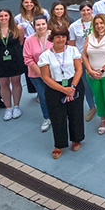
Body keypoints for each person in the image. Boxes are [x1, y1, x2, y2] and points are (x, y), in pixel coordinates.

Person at [38, 26, 85, 159]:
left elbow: (79, 70)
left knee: (75, 113)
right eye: (58, 36)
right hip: (55, 87)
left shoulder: (73, 50)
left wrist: (72, 87)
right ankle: (59, 144)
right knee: (57, 117)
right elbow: (46, 77)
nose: (61, 39)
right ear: (52, 38)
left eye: (64, 36)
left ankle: (77, 138)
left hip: (73, 84)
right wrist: (64, 90)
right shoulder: (45, 56)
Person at [0, 8, 27, 121]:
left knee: (16, 82)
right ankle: (8, 107)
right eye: (1, 16)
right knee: (3, 84)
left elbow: (20, 42)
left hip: (15, 59)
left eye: (6, 15)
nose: (4, 18)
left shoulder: (17, 28)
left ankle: (16, 106)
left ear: (10, 16)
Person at [23, 16, 53, 132]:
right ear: (34, 26)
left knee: (57, 93)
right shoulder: (29, 40)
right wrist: (42, 74)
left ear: (47, 24)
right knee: (43, 96)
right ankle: (47, 117)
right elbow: (28, 59)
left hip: (54, 73)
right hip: (37, 74)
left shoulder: (53, 36)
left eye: (43, 24)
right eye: (38, 25)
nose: (41, 27)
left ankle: (59, 114)